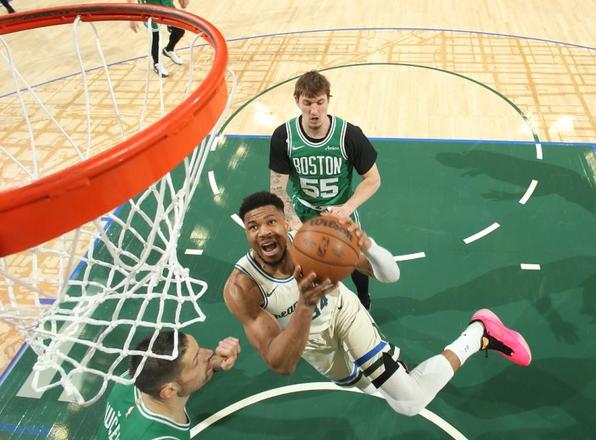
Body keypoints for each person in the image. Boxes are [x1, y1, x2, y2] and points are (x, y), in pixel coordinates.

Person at [223, 191, 531, 418]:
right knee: (380, 391)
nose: (263, 232)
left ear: (285, 222)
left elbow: (391, 275)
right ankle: (395, 372)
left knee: (409, 403)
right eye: (253, 227)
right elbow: (281, 363)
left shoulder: (314, 241)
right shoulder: (242, 287)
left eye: (271, 222)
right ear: (246, 233)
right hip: (312, 345)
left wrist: (367, 244)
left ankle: (478, 333)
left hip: (345, 314)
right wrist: (305, 306)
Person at [269, 70, 381, 310]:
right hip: (303, 212)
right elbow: (277, 189)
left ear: (328, 100)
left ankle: (363, 298)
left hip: (340, 212)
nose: (314, 110)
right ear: (297, 100)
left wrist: (346, 209)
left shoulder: (349, 134)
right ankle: (312, 308)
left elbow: (373, 179)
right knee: (305, 266)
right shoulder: (284, 136)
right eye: (307, 103)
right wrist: (297, 226)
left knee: (355, 260)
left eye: (320, 102)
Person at [98, 331, 240, 439]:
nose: (209, 352)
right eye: (196, 361)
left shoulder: (131, 379)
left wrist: (211, 364)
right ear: (169, 391)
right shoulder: (161, 436)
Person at [128, 0, 189, 78]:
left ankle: (168, 50)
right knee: (156, 37)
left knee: (179, 30)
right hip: (149, 5)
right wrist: (131, 17)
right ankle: (157, 63)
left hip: (166, 2)